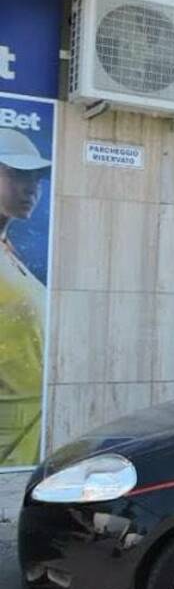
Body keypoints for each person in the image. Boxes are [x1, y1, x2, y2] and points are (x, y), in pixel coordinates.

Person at [0, 129, 50, 466]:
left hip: (24, 442)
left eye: (37, 177)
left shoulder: (10, 253)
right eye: (18, 174)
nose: (31, 187)